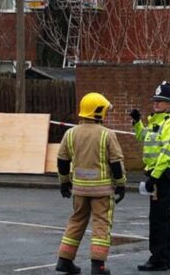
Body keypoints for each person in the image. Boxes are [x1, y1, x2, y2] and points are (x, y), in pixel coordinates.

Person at [56, 92, 126, 275]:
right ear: (98, 111)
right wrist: (121, 184)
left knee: (76, 221)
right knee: (101, 224)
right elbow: (116, 163)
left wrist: (64, 183)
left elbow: (62, 160)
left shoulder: (70, 134)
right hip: (102, 191)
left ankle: (64, 260)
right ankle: (98, 266)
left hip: (79, 189)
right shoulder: (107, 135)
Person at [130, 81, 170, 272]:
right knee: (163, 218)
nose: (156, 103)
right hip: (157, 173)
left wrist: (154, 177)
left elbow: (166, 153)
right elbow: (142, 137)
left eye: (161, 101)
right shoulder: (157, 121)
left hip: (161, 175)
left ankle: (158, 258)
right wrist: (137, 123)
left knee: (158, 219)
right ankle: (165, 258)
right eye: (156, 100)